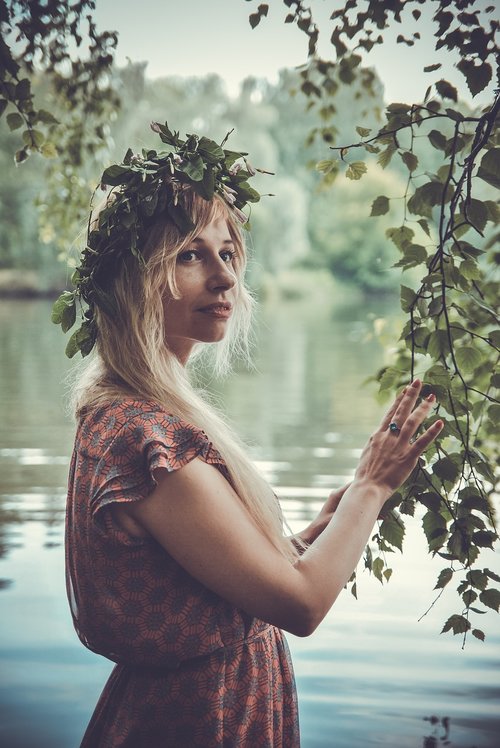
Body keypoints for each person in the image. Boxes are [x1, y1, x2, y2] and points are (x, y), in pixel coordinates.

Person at [54, 122, 443, 748]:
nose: (225, 276)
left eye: (228, 252)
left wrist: (308, 537)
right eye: (190, 254)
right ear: (133, 279)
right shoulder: (146, 439)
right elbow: (301, 606)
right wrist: (371, 487)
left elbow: (200, 586)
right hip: (196, 721)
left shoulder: (130, 413)